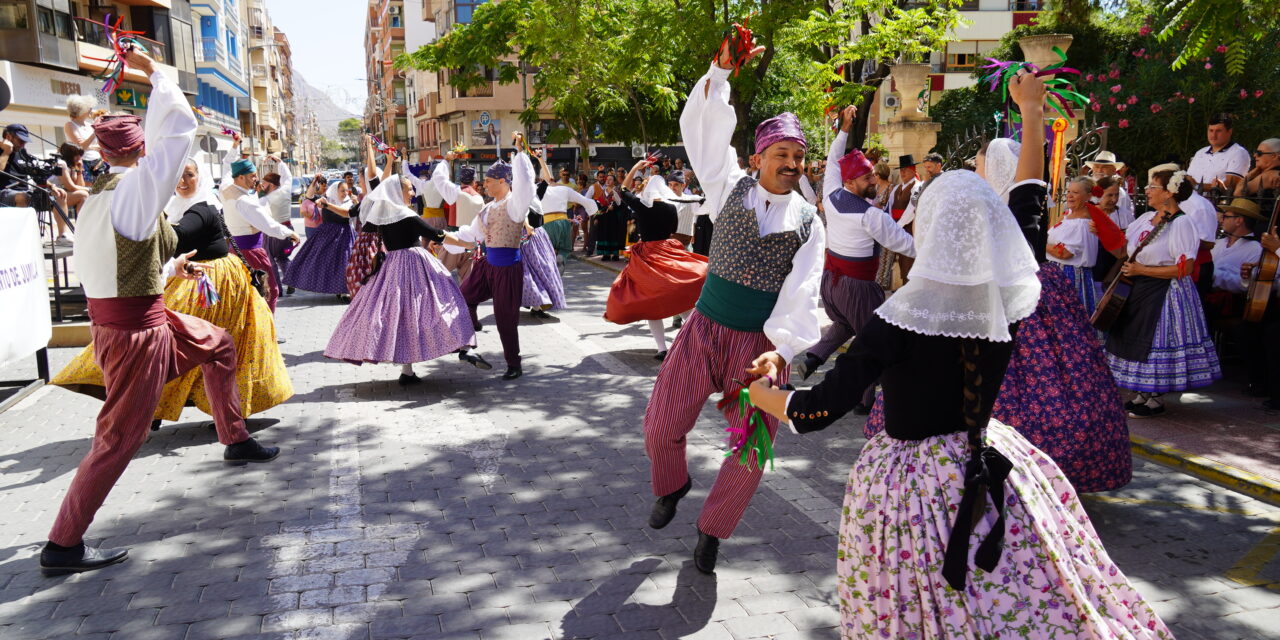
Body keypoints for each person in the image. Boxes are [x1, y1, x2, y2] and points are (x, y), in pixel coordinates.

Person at [745, 166, 1173, 640]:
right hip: (988, 456)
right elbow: (1027, 222)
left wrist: (764, 394)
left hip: (908, 488)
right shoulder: (1007, 304)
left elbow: (818, 409)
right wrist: (1030, 116)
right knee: (1018, 592)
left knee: (913, 596)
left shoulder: (897, 320)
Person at [40, 48, 279, 577]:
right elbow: (177, 133)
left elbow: (110, 266)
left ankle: (234, 438)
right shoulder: (135, 189)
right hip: (136, 333)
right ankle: (62, 543)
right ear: (140, 150)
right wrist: (155, 74)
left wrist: (167, 275)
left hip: (135, 317)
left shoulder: (99, 197)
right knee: (118, 439)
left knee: (218, 343)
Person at [867, 73, 1132, 494]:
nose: (976, 169)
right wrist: (1031, 108)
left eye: (982, 164)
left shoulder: (999, 215)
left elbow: (1027, 185)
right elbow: (1031, 185)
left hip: (998, 311)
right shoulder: (1012, 217)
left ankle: (990, 467)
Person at [643, 36, 825, 574]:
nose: (791, 163)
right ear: (758, 158)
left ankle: (712, 531)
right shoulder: (729, 187)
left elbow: (803, 292)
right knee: (660, 423)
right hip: (705, 327)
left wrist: (783, 349)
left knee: (751, 453)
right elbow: (701, 133)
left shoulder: (810, 224)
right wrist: (719, 74)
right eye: (781, 155)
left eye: (798, 156)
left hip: (763, 347)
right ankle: (672, 485)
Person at [53, 157, 293, 429]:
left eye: (189, 175)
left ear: (199, 176)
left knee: (219, 346)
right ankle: (159, 406)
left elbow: (175, 238)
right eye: (178, 176)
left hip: (215, 285)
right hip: (189, 279)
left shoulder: (202, 208)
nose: (183, 182)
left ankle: (226, 415)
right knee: (174, 345)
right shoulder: (170, 207)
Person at [795, 105, 915, 411]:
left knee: (847, 325)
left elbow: (836, 156)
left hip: (831, 285)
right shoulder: (870, 216)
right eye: (866, 179)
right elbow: (906, 244)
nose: (873, 182)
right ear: (851, 183)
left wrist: (845, 127)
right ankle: (864, 401)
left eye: (872, 177)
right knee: (873, 340)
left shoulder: (833, 193)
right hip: (857, 288)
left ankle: (813, 357)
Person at [325, 174, 490, 383]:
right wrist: (467, 244)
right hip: (415, 263)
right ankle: (464, 347)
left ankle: (407, 371)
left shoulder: (382, 215)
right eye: (409, 189)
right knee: (447, 301)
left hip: (392, 266)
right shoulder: (405, 214)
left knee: (402, 316)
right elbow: (436, 234)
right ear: (398, 192)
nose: (413, 193)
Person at [1105, 167, 1223, 417]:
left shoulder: (1182, 223)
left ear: (1169, 193)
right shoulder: (1145, 219)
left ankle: (1155, 397)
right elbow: (1124, 250)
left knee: (1156, 338)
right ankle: (1142, 392)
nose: (1147, 191)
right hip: (1140, 285)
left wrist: (1142, 269)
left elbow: (1184, 269)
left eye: (1153, 187)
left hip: (1165, 291)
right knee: (1136, 337)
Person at [450, 132, 536, 380]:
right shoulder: (487, 209)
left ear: (502, 182)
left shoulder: (515, 205)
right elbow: (470, 235)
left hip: (508, 268)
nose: (484, 185)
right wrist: (442, 236)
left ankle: (514, 363)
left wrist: (520, 153)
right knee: (463, 296)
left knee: (505, 319)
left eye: (488, 181)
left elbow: (526, 185)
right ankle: (466, 342)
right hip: (487, 265)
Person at [606, 162, 709, 359]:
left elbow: (621, 190)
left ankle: (662, 348)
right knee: (682, 300)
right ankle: (697, 342)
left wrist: (635, 166)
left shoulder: (642, 207)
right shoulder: (670, 208)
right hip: (668, 249)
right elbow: (672, 228)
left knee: (650, 305)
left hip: (647, 255)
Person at [219, 157, 302, 312]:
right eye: (253, 175)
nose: (256, 179)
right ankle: (265, 332)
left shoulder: (224, 190)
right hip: (251, 253)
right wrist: (289, 233)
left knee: (243, 294)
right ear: (241, 177)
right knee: (269, 292)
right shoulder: (245, 201)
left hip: (233, 252)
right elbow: (268, 225)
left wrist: (233, 150)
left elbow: (226, 169)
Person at [283, 179, 356, 300]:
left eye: (346, 190)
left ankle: (344, 291)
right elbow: (309, 196)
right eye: (342, 190)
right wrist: (314, 182)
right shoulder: (325, 200)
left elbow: (349, 213)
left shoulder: (349, 203)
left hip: (345, 236)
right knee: (316, 260)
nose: (345, 193)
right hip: (326, 236)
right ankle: (295, 280)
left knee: (345, 262)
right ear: (335, 191)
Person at [1, 123, 73, 244]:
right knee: (23, 197)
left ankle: (62, 236)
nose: (23, 144)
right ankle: (23, 239)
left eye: (25, 141)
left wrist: (52, 186)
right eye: (20, 140)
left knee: (60, 194)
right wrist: (6, 152)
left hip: (25, 192)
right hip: (4, 193)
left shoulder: (22, 152)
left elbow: (35, 172)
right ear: (8, 137)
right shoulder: (3, 151)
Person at [1046, 176, 1106, 314]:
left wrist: (1041, 244)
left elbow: (1065, 253)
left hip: (1070, 275)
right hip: (1057, 273)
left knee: (1067, 317)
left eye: (1076, 193)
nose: (1070, 196)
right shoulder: (1067, 215)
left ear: (1088, 196)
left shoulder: (1083, 223)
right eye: (1069, 192)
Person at [346, 136, 396, 297]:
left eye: (361, 178)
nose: (359, 181)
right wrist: (389, 162)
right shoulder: (369, 198)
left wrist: (369, 146)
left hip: (371, 243)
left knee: (368, 280)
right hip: (373, 241)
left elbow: (374, 174)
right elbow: (383, 180)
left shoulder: (374, 196)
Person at [533, 150, 598, 264]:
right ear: (554, 179)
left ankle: (551, 265)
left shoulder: (536, 191)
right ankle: (561, 257)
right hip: (563, 223)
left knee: (547, 249)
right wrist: (594, 211)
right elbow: (585, 200)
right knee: (565, 248)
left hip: (547, 224)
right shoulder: (565, 189)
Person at [432, 157, 484, 284]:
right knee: (468, 281)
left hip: (455, 240)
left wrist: (446, 160)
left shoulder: (455, 192)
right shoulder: (479, 198)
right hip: (473, 243)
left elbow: (438, 177)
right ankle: (466, 303)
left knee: (438, 275)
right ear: (474, 181)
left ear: (460, 179)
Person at [1187, 114, 1251, 193]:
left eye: (1218, 131)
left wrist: (1196, 185)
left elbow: (1230, 185)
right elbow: (1189, 178)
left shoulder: (1238, 153)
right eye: (1211, 130)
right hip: (1191, 201)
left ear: (1229, 132)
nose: (1213, 135)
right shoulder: (1200, 153)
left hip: (1217, 203)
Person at [1086, 151, 1135, 228]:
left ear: (1114, 170)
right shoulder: (1086, 188)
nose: (1099, 170)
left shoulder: (1119, 193)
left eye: (1104, 167)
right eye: (1097, 167)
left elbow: (1122, 219)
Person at [63, 94, 103, 178]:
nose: (91, 110)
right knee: (88, 189)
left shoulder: (90, 125)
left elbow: (99, 145)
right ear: (81, 110)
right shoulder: (70, 125)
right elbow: (80, 147)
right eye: (89, 108)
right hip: (83, 162)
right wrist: (95, 132)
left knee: (101, 189)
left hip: (98, 161)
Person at [1235, 137, 1280, 208]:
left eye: (1259, 153)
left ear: (1274, 156)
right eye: (1255, 152)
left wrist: (1249, 175)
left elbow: (1238, 192)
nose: (1255, 156)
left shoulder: (1269, 175)